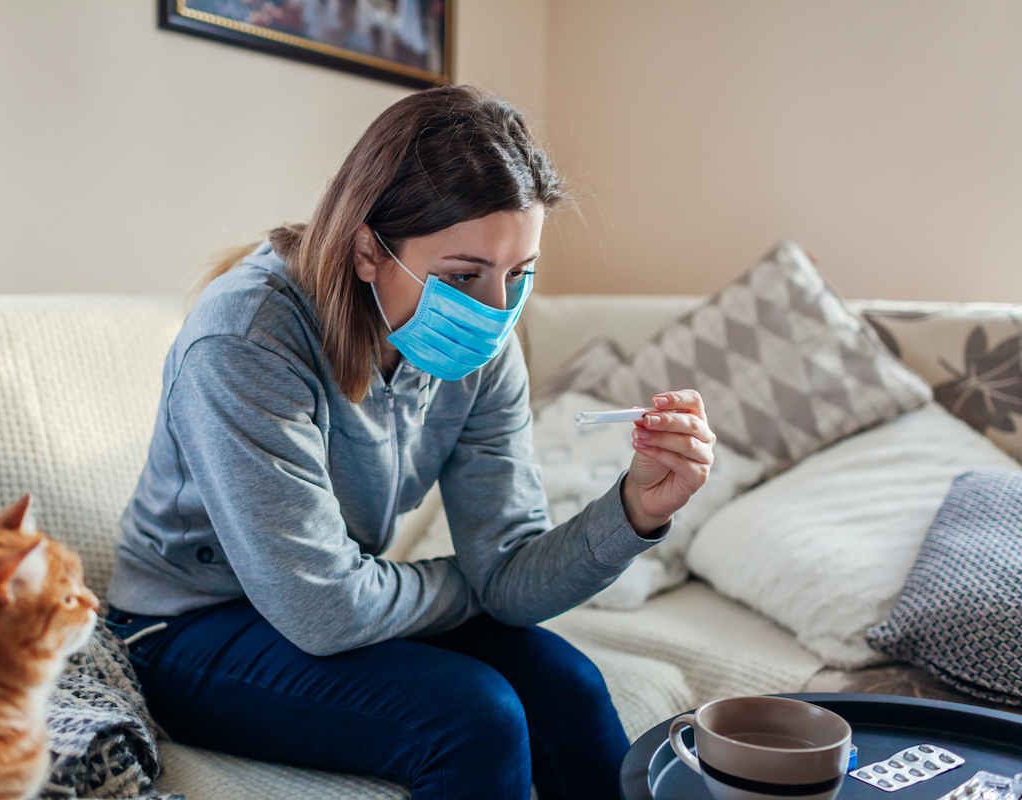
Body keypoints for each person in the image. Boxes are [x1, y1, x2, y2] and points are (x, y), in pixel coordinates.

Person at [104, 84, 715, 800]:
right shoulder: (245, 340)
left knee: (570, 687)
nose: (495, 312)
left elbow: (510, 579)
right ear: (368, 250)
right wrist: (477, 583)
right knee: (474, 718)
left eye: (519, 275)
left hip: (331, 600)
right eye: (463, 276)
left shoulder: (483, 349)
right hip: (183, 628)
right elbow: (329, 610)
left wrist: (634, 510)